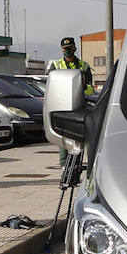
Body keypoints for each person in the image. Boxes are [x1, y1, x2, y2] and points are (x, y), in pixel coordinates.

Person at [47, 36, 94, 166]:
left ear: (75, 48)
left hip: (79, 107)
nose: (67, 51)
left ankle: (76, 167)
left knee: (78, 139)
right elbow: (51, 87)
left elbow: (90, 89)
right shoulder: (56, 66)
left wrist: (83, 87)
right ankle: (64, 166)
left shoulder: (84, 66)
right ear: (62, 50)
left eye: (70, 48)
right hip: (62, 107)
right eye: (65, 48)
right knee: (63, 138)